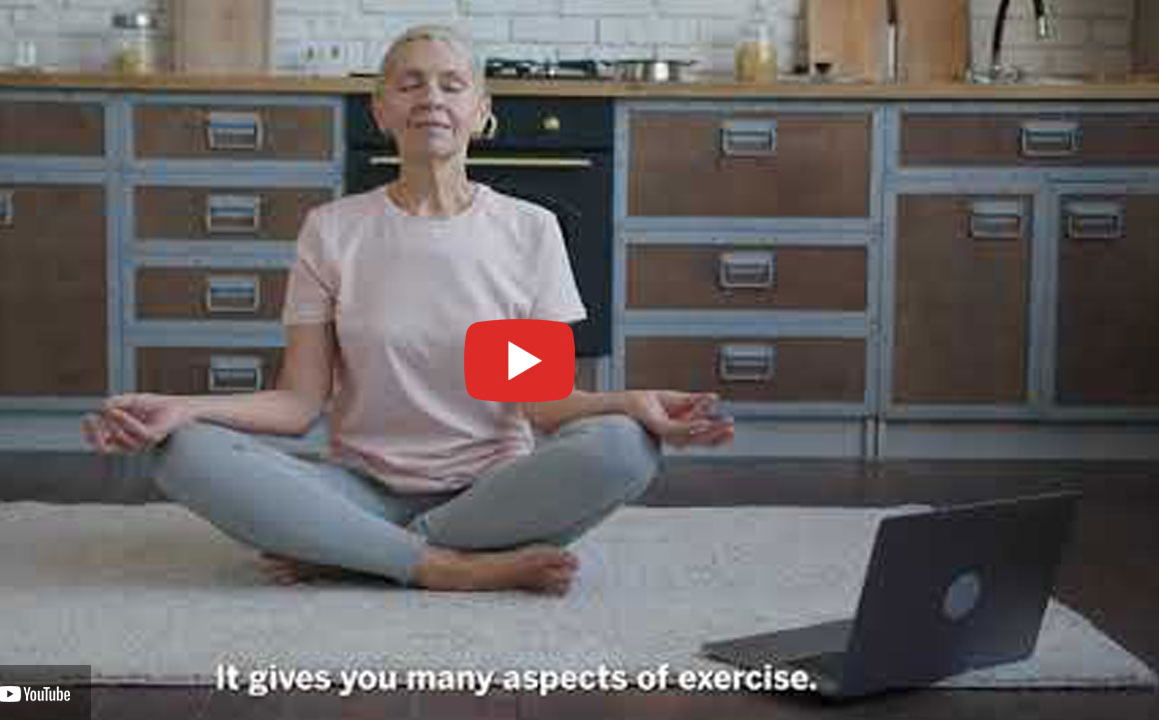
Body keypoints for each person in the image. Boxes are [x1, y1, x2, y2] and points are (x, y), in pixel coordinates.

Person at [81, 25, 735, 596]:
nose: (431, 98)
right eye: (410, 84)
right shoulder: (332, 230)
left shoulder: (527, 230)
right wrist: (182, 408)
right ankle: (443, 567)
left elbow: (541, 404)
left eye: (452, 84)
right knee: (180, 452)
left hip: (494, 495)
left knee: (627, 448)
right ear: (380, 110)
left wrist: (632, 401)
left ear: (481, 110)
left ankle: (353, 553)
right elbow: (297, 404)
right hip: (361, 487)